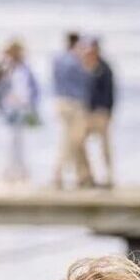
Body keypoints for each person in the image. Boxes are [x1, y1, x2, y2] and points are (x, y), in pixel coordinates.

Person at [0, 40, 39, 185]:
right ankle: (7, 172)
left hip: (22, 109)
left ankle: (21, 173)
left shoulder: (25, 69)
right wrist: (0, 58)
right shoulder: (5, 68)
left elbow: (32, 89)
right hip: (8, 109)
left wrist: (31, 105)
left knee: (20, 142)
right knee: (7, 141)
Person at [51, 31, 95, 189]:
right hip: (74, 104)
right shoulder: (76, 61)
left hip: (60, 102)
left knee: (74, 140)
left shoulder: (57, 59)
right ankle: (60, 173)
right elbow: (87, 79)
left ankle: (82, 174)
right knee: (72, 140)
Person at [81, 39, 116, 189]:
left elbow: (110, 92)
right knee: (79, 142)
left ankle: (108, 175)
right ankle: (86, 175)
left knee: (104, 146)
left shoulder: (104, 69)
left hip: (101, 112)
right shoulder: (84, 68)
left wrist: (108, 111)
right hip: (87, 113)